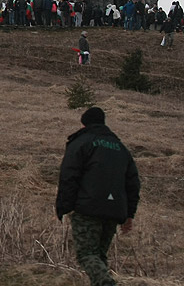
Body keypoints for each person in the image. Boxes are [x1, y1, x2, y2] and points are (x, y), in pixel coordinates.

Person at [56, 107, 140, 286]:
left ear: (84, 123)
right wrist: (129, 214)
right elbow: (133, 183)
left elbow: (68, 176)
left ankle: (106, 284)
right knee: (100, 256)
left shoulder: (80, 142)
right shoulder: (120, 148)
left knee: (87, 254)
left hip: (87, 208)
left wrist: (65, 206)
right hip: (114, 210)